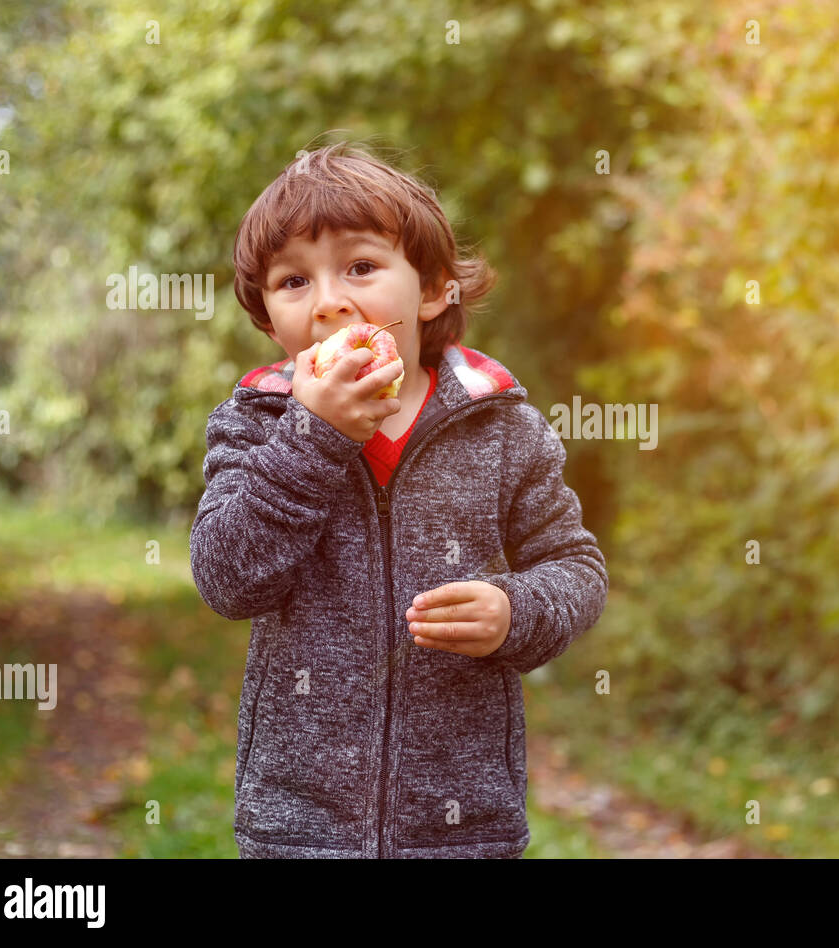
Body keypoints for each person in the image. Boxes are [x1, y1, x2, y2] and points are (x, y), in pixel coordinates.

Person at [189, 140, 608, 858]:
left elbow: (576, 568)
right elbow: (227, 578)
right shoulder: (255, 426)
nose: (329, 302)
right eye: (293, 282)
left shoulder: (501, 428)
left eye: (360, 266)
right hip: (301, 830)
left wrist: (516, 610)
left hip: (462, 827)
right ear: (267, 319)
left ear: (434, 288)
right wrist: (314, 437)